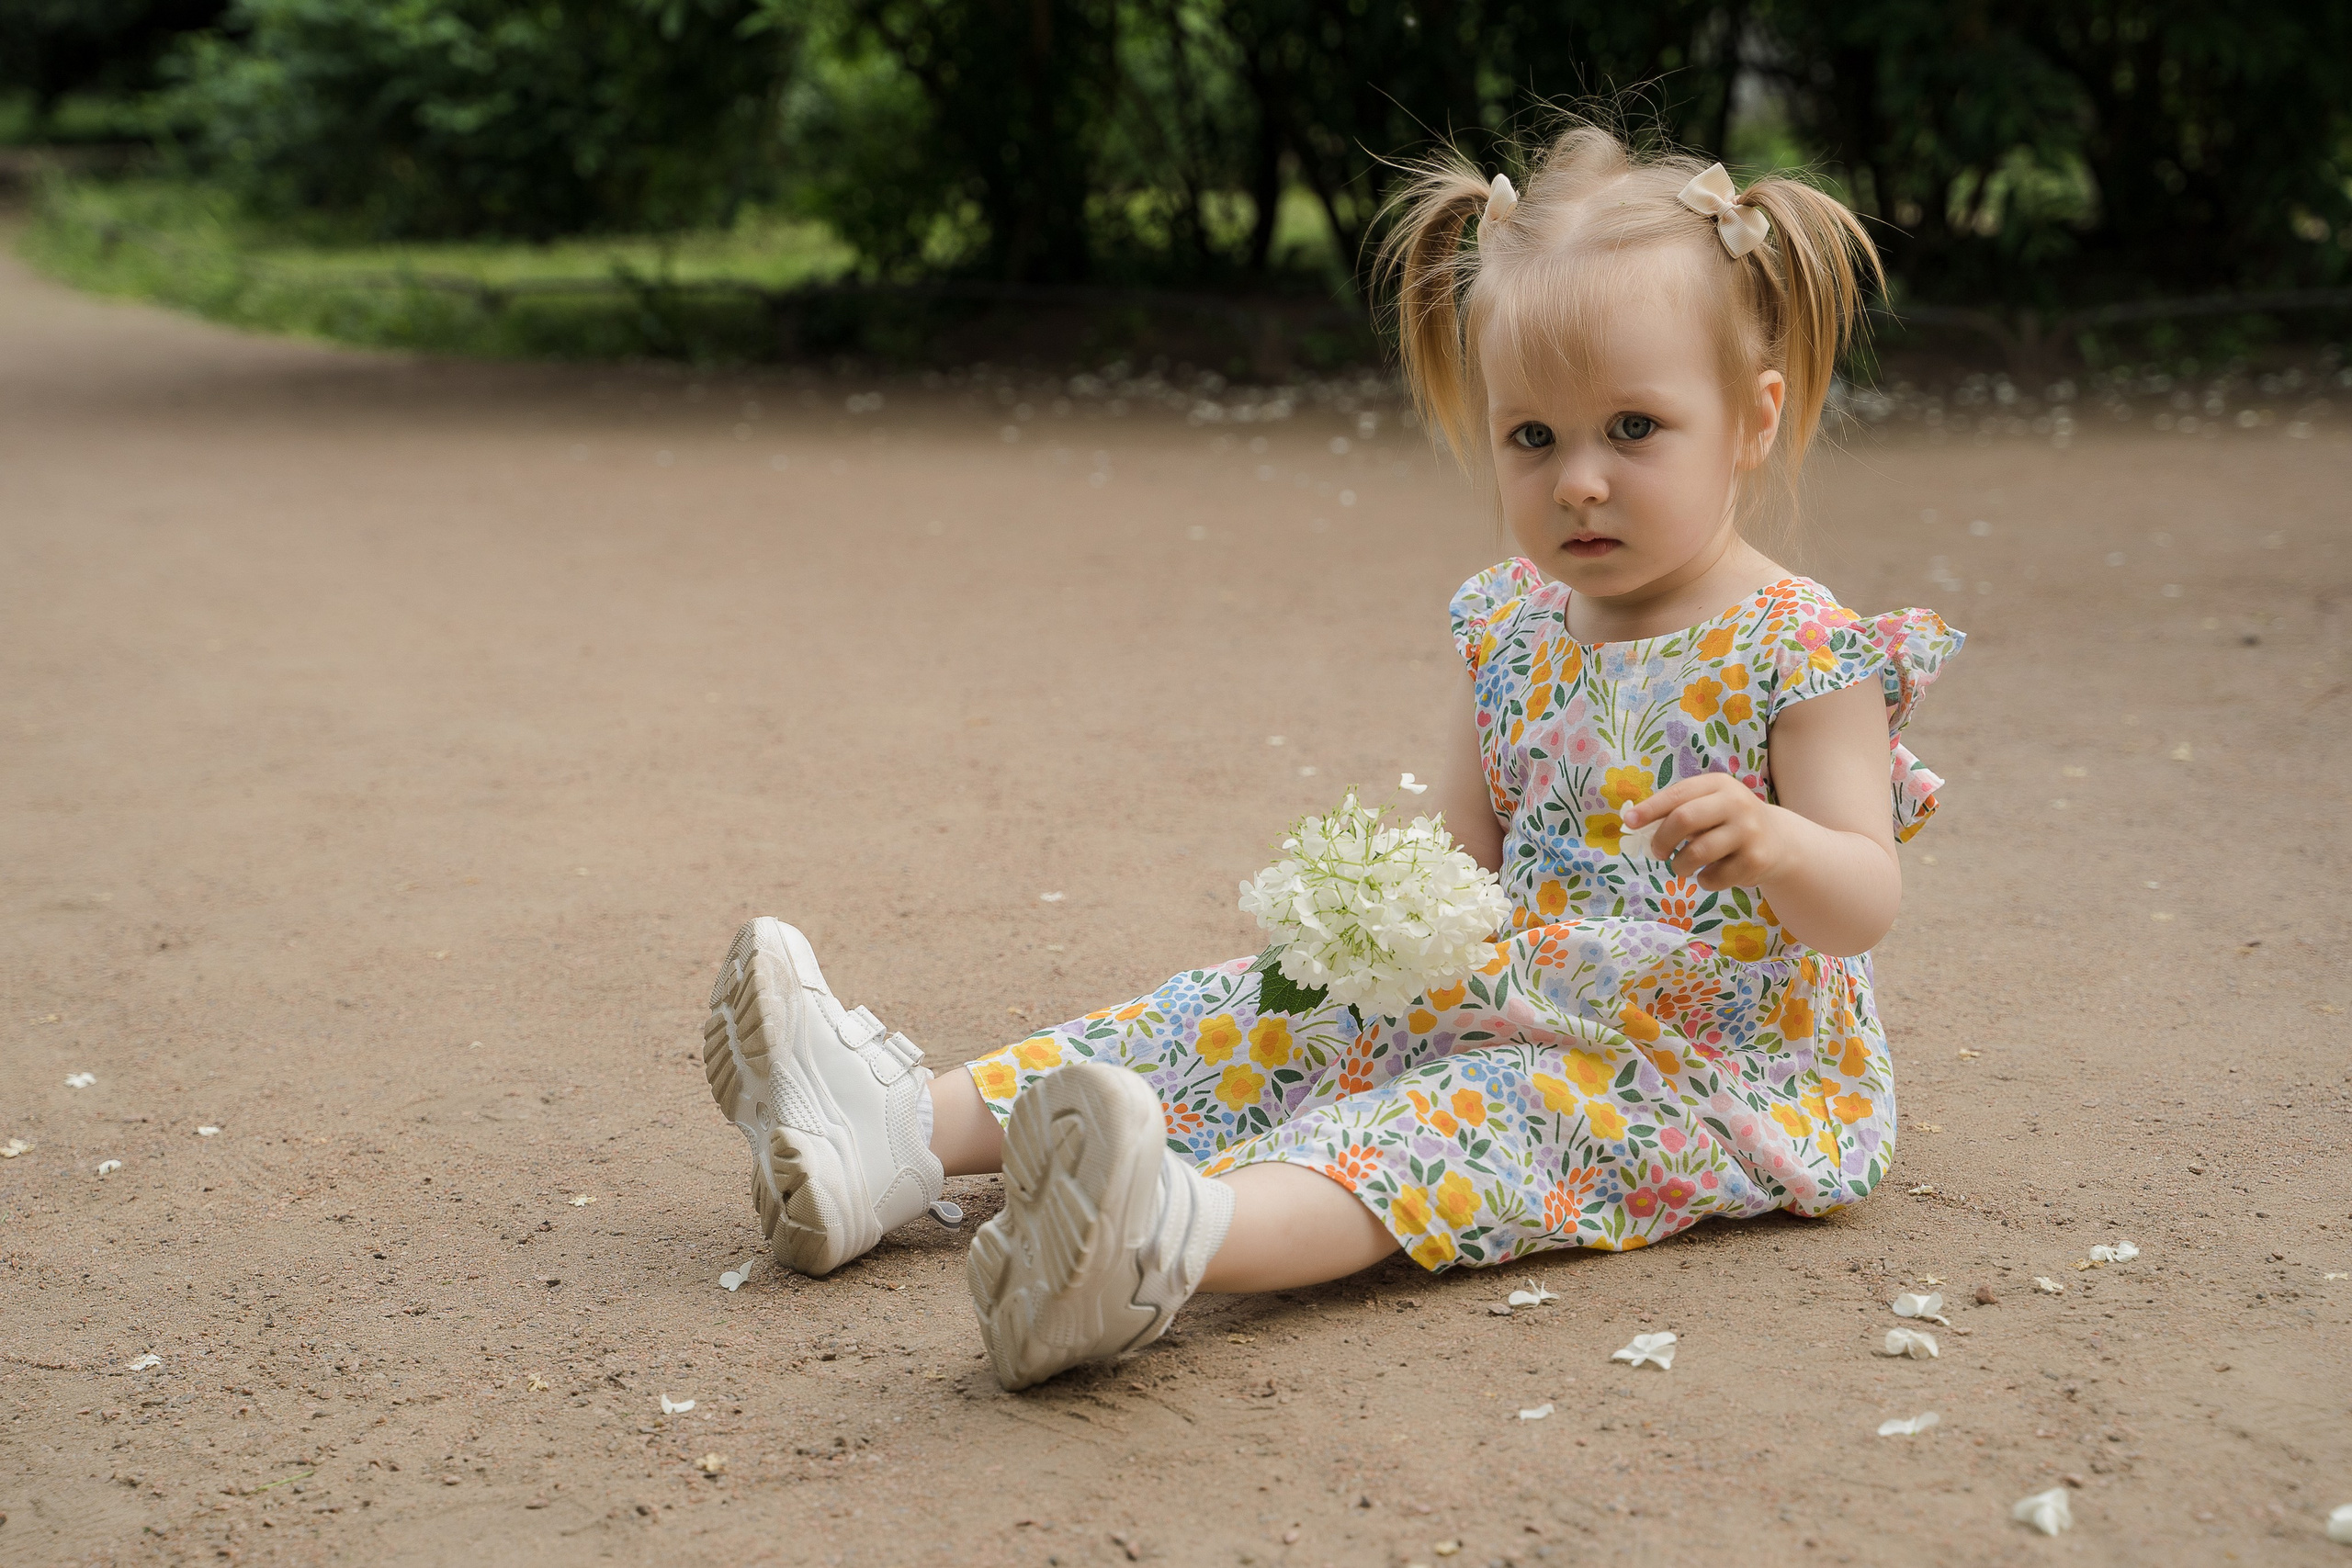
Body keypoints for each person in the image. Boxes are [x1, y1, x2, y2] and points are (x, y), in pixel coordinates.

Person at [699, 119, 1962, 1392]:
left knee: (1465, 1123)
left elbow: (1865, 900)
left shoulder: (1803, 647)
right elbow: (1467, 867)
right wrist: (1374, 935)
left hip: (1700, 1068)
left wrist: (1779, 843)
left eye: (1633, 428)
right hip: (1519, 989)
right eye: (1532, 438)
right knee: (1257, 1008)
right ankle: (895, 1139)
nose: (1579, 481)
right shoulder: (1513, 626)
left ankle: (1164, 1239)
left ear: (1752, 419)